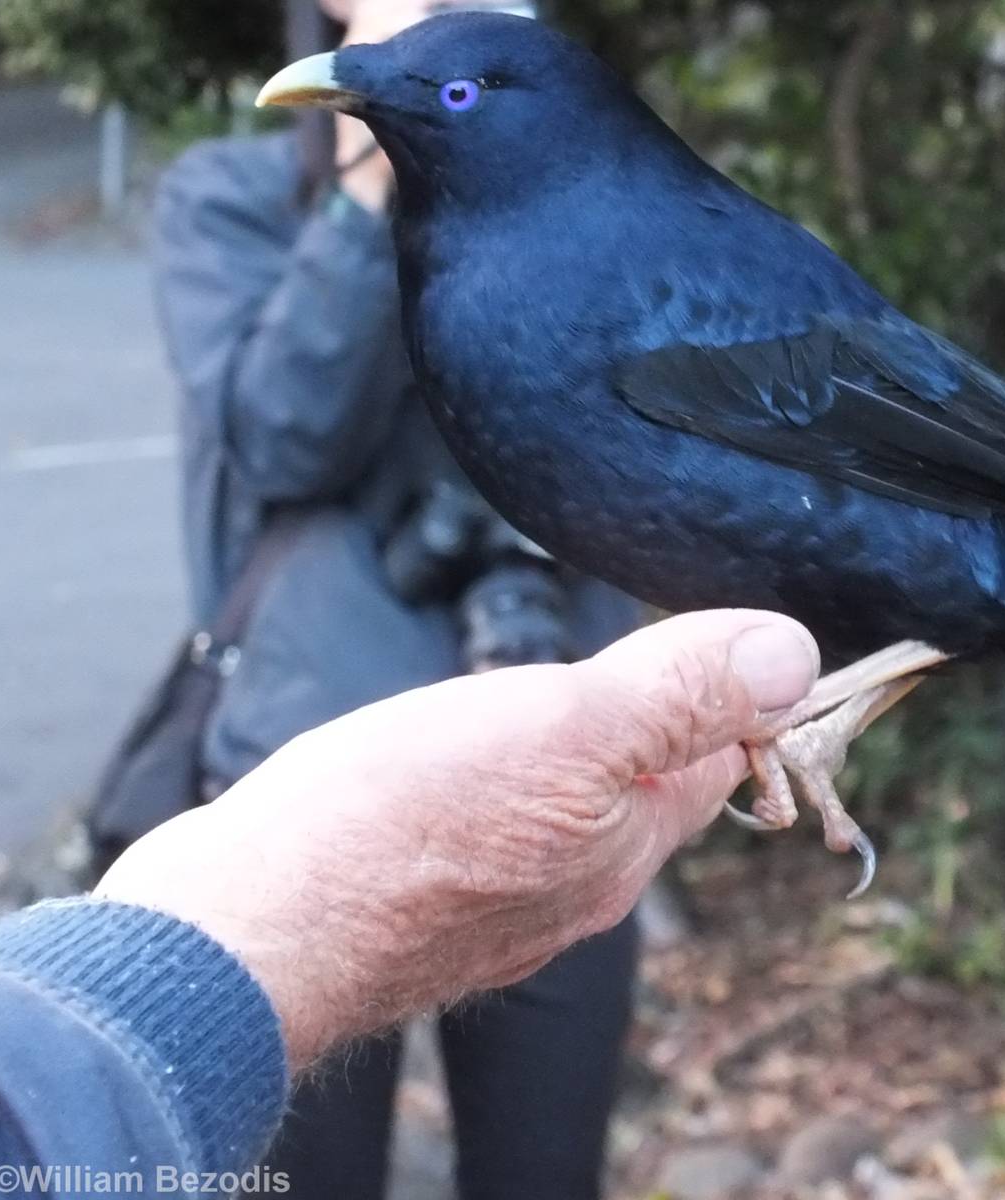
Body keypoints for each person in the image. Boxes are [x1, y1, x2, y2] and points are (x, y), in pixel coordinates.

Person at [147, 0, 645, 1195]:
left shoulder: (587, 184)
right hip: (308, 777)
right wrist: (383, 158)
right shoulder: (230, 198)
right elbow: (279, 439)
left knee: (542, 1172)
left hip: (557, 761)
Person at [0, 612, 819, 1198]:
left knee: (546, 1166)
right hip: (305, 733)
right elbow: (283, 436)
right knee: (316, 1175)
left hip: (588, 748)